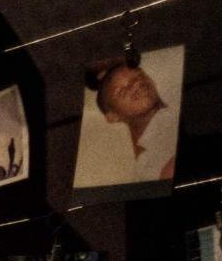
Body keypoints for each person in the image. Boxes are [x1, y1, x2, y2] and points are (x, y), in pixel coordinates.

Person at [76, 57, 179, 185]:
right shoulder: (148, 168)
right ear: (112, 116)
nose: (136, 84)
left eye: (139, 77)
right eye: (122, 91)